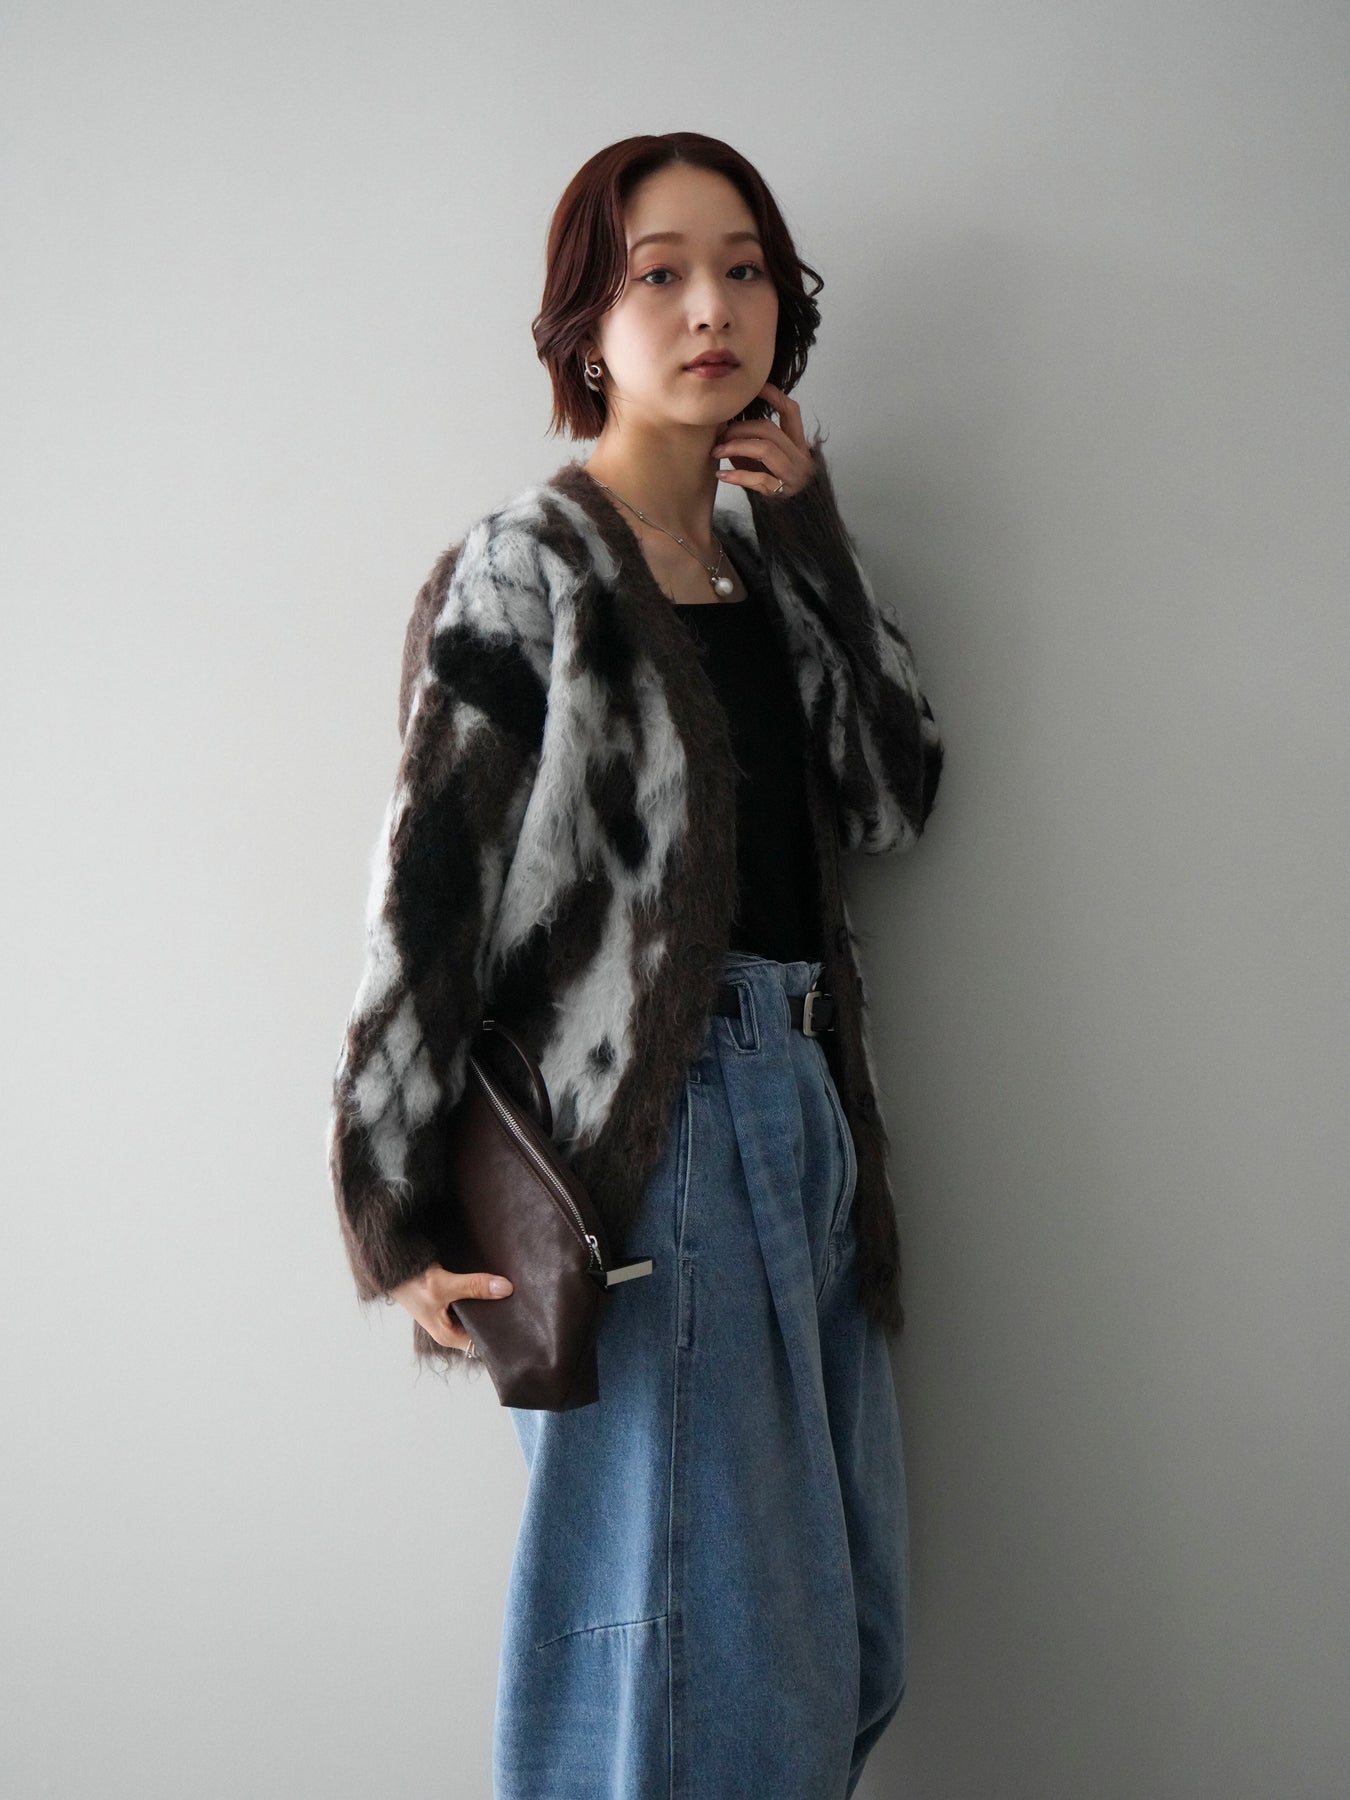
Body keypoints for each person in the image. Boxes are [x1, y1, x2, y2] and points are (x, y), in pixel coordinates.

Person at [327, 131, 945, 1799]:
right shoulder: (527, 567)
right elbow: (428, 895)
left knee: (844, 1643)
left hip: (808, 1114)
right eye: (657, 274)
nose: (709, 307)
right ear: (584, 328)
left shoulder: (765, 570)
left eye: (743, 269)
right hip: (653, 1152)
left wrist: (808, 536)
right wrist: (390, 1208)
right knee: (698, 1677)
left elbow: (894, 796)